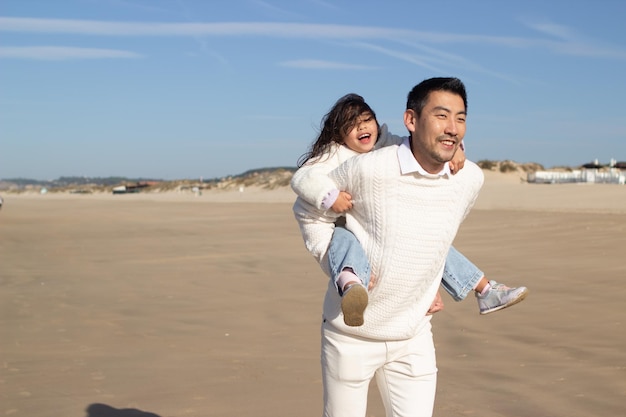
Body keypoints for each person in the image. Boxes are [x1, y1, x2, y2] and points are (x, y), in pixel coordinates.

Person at [293, 77, 492, 416]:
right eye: (441, 115)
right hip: (350, 337)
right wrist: (339, 269)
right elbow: (306, 209)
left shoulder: (470, 179)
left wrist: (424, 281)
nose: (452, 127)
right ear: (411, 120)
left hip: (413, 337)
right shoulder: (366, 167)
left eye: (460, 118)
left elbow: (433, 237)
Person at [291, 93, 527, 326]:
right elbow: (304, 177)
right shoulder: (336, 153)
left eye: (366, 121)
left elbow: (422, 144)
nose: (361, 128)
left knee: (432, 242)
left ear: (376, 122)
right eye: (351, 125)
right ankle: (352, 288)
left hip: (385, 226)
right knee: (343, 243)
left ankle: (485, 290)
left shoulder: (387, 143)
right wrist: (330, 197)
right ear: (340, 134)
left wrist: (455, 148)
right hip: (346, 225)